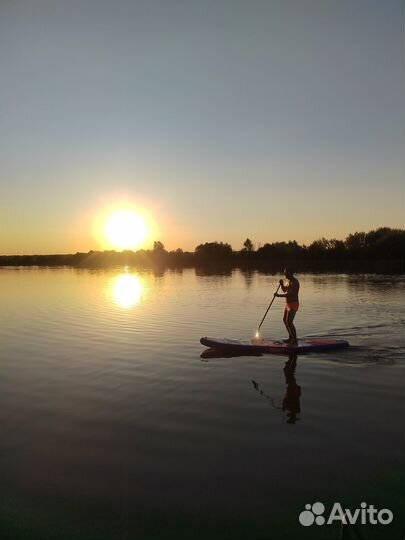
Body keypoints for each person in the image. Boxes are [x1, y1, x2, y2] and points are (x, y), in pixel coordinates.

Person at [275, 267, 300, 345]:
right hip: (288, 304)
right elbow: (284, 290)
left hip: (293, 304)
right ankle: (290, 338)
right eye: (284, 272)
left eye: (286, 272)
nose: (285, 274)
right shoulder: (288, 281)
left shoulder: (295, 282)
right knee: (285, 321)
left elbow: (290, 294)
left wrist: (278, 296)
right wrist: (282, 284)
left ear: (291, 273)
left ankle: (295, 341)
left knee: (289, 322)